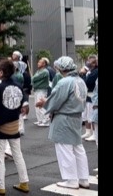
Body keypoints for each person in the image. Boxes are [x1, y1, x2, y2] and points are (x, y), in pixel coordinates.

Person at [37, 56, 91, 189]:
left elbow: (55, 101)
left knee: (65, 149)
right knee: (78, 148)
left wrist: (44, 103)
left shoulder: (64, 82)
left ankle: (71, 180)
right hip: (76, 117)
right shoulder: (80, 81)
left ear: (60, 68)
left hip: (64, 118)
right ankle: (83, 178)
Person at [0, 59, 30, 195]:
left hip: (0, 126)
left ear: (1, 73)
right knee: (17, 154)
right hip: (15, 124)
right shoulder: (18, 86)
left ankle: (0, 186)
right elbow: (21, 102)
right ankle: (24, 182)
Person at [32, 57, 51, 127]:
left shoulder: (45, 72)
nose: (38, 63)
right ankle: (40, 120)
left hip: (42, 90)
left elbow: (34, 78)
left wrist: (33, 80)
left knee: (41, 105)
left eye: (40, 62)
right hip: (37, 89)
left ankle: (45, 120)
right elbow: (33, 79)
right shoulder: (38, 71)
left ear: (44, 64)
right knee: (37, 105)